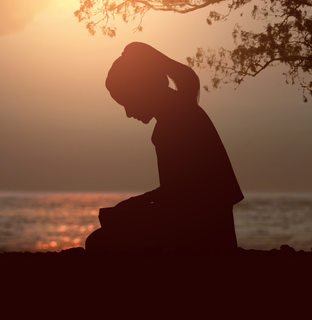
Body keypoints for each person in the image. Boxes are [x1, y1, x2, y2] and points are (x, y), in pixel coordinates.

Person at [85, 42, 244, 252]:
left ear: (141, 91)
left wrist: (133, 209)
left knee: (98, 242)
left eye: (126, 103)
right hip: (204, 222)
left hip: (201, 229)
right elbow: (179, 190)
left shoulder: (173, 124)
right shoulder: (182, 112)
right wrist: (137, 204)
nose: (128, 113)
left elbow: (182, 201)